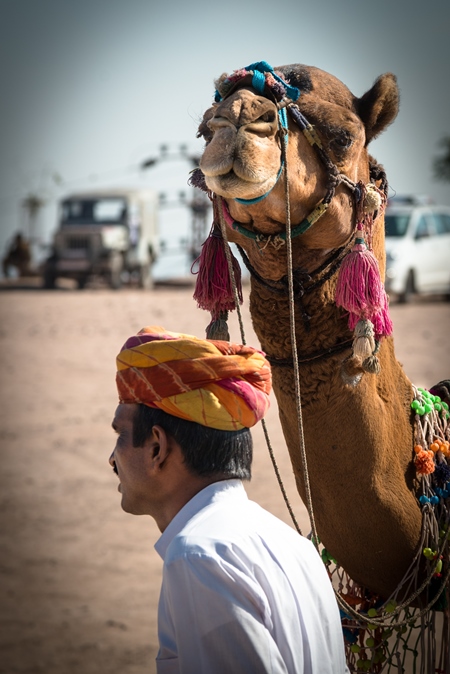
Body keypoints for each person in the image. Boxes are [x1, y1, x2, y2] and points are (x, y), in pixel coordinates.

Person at [110, 325, 349, 674]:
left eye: (120, 435)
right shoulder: (296, 546)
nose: (112, 459)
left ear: (157, 447)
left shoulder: (198, 555)